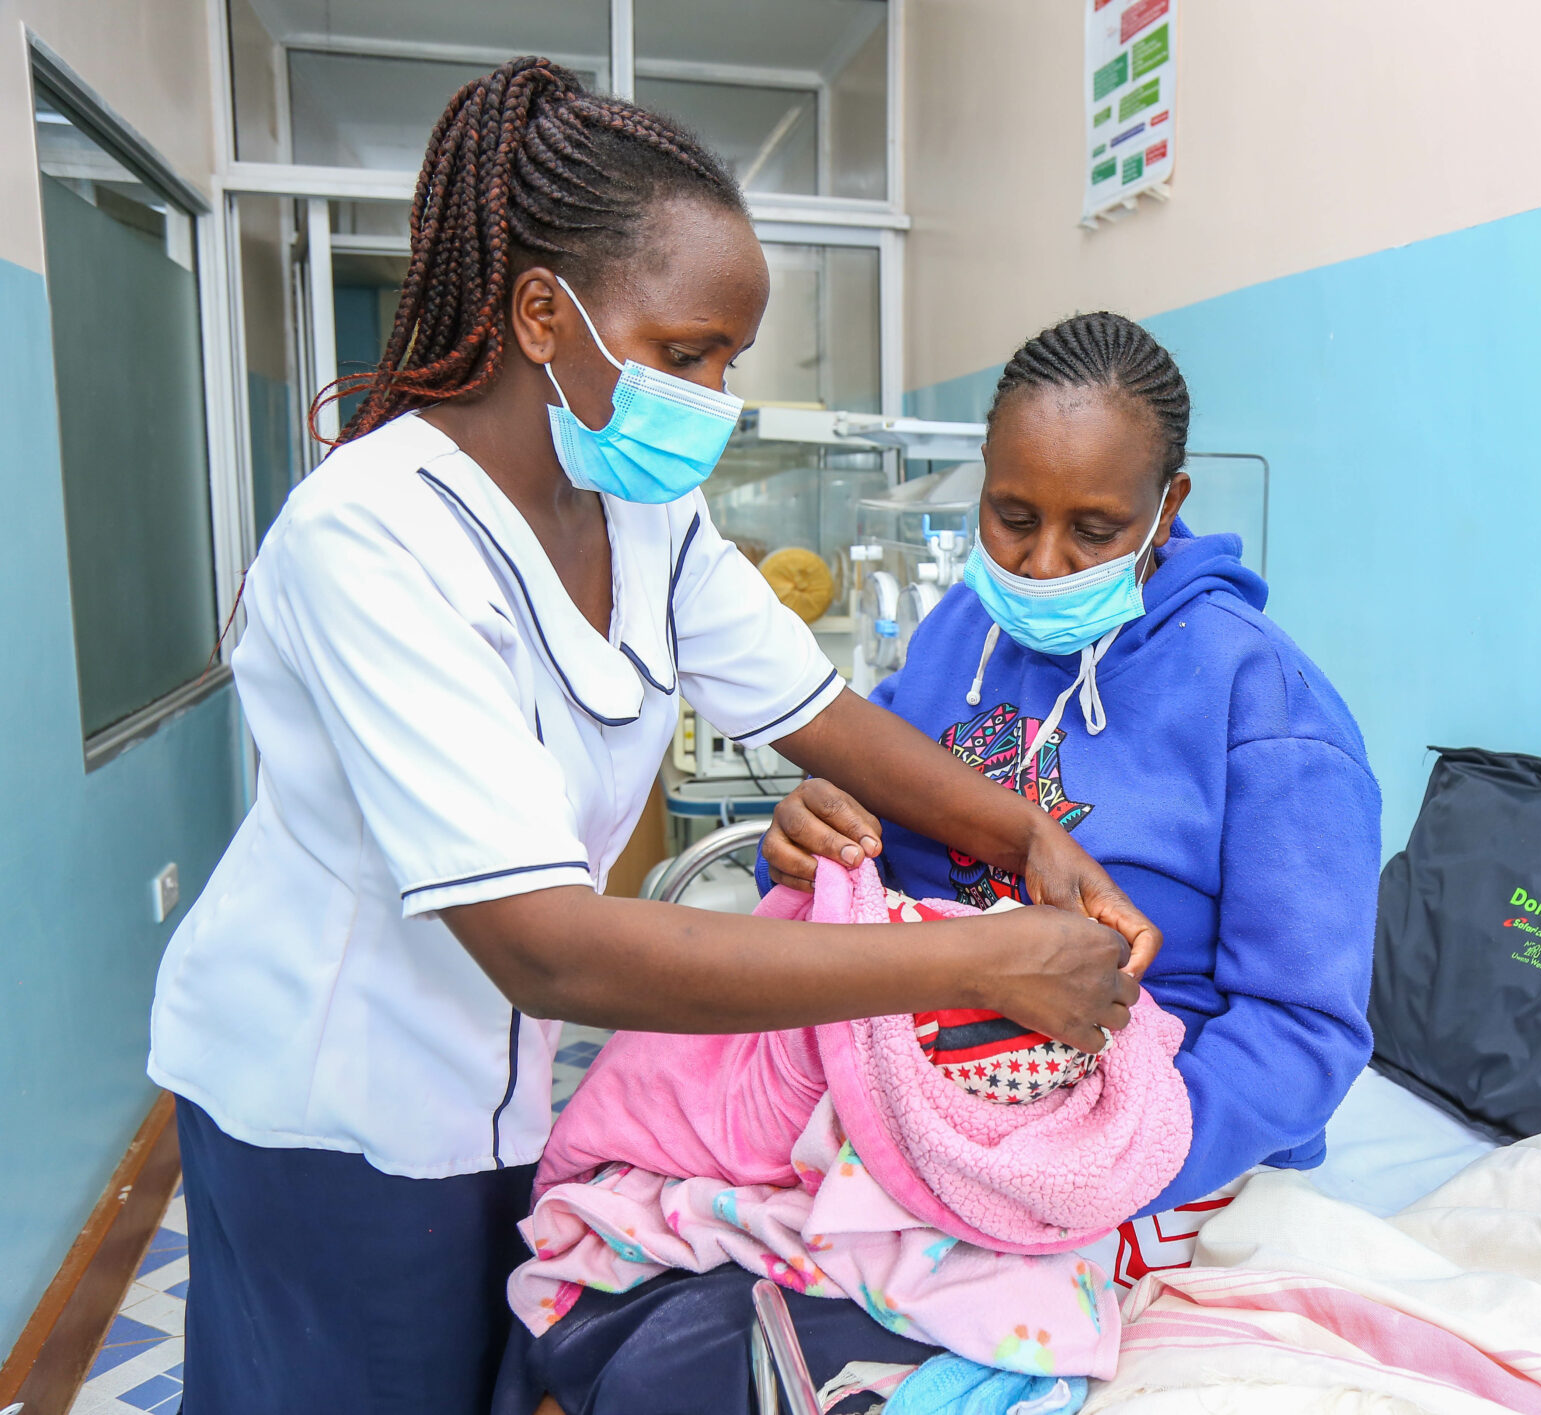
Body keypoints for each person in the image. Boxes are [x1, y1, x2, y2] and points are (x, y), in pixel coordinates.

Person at [144, 61, 1156, 1415]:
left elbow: (823, 715)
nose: (715, 396)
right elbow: (546, 941)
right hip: (335, 1105)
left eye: (728, 359)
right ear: (544, 314)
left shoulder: (640, 519)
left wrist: (1024, 832)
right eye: (686, 354)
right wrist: (984, 956)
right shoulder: (369, 538)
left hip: (509, 1094)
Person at [765, 312, 1382, 1228]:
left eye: (1095, 530)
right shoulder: (958, 635)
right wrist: (806, 835)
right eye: (1013, 518)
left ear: (1167, 507)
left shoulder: (1266, 707)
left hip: (1137, 1149)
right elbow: (864, 834)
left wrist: (1097, 1164)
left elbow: (1303, 1031)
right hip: (907, 1095)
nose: (1043, 564)